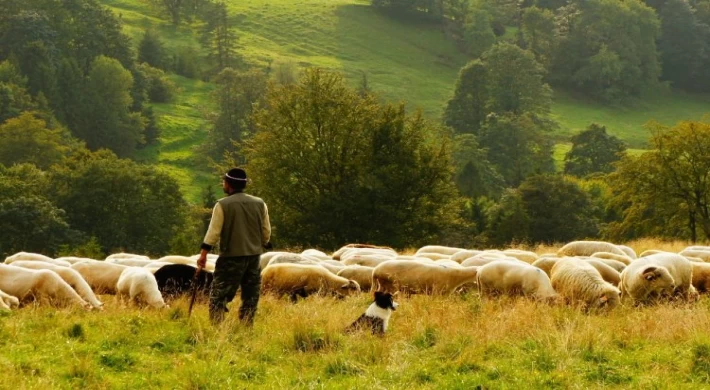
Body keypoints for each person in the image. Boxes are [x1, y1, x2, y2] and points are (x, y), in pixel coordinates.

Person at [196, 168, 271, 325]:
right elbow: (266, 231)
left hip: (230, 258)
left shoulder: (223, 205)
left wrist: (203, 254)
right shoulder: (259, 203)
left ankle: (218, 329)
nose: (223, 184)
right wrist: (262, 243)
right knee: (250, 296)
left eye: (224, 181)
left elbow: (213, 232)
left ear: (228, 184)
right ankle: (246, 327)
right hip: (254, 257)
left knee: (219, 296)